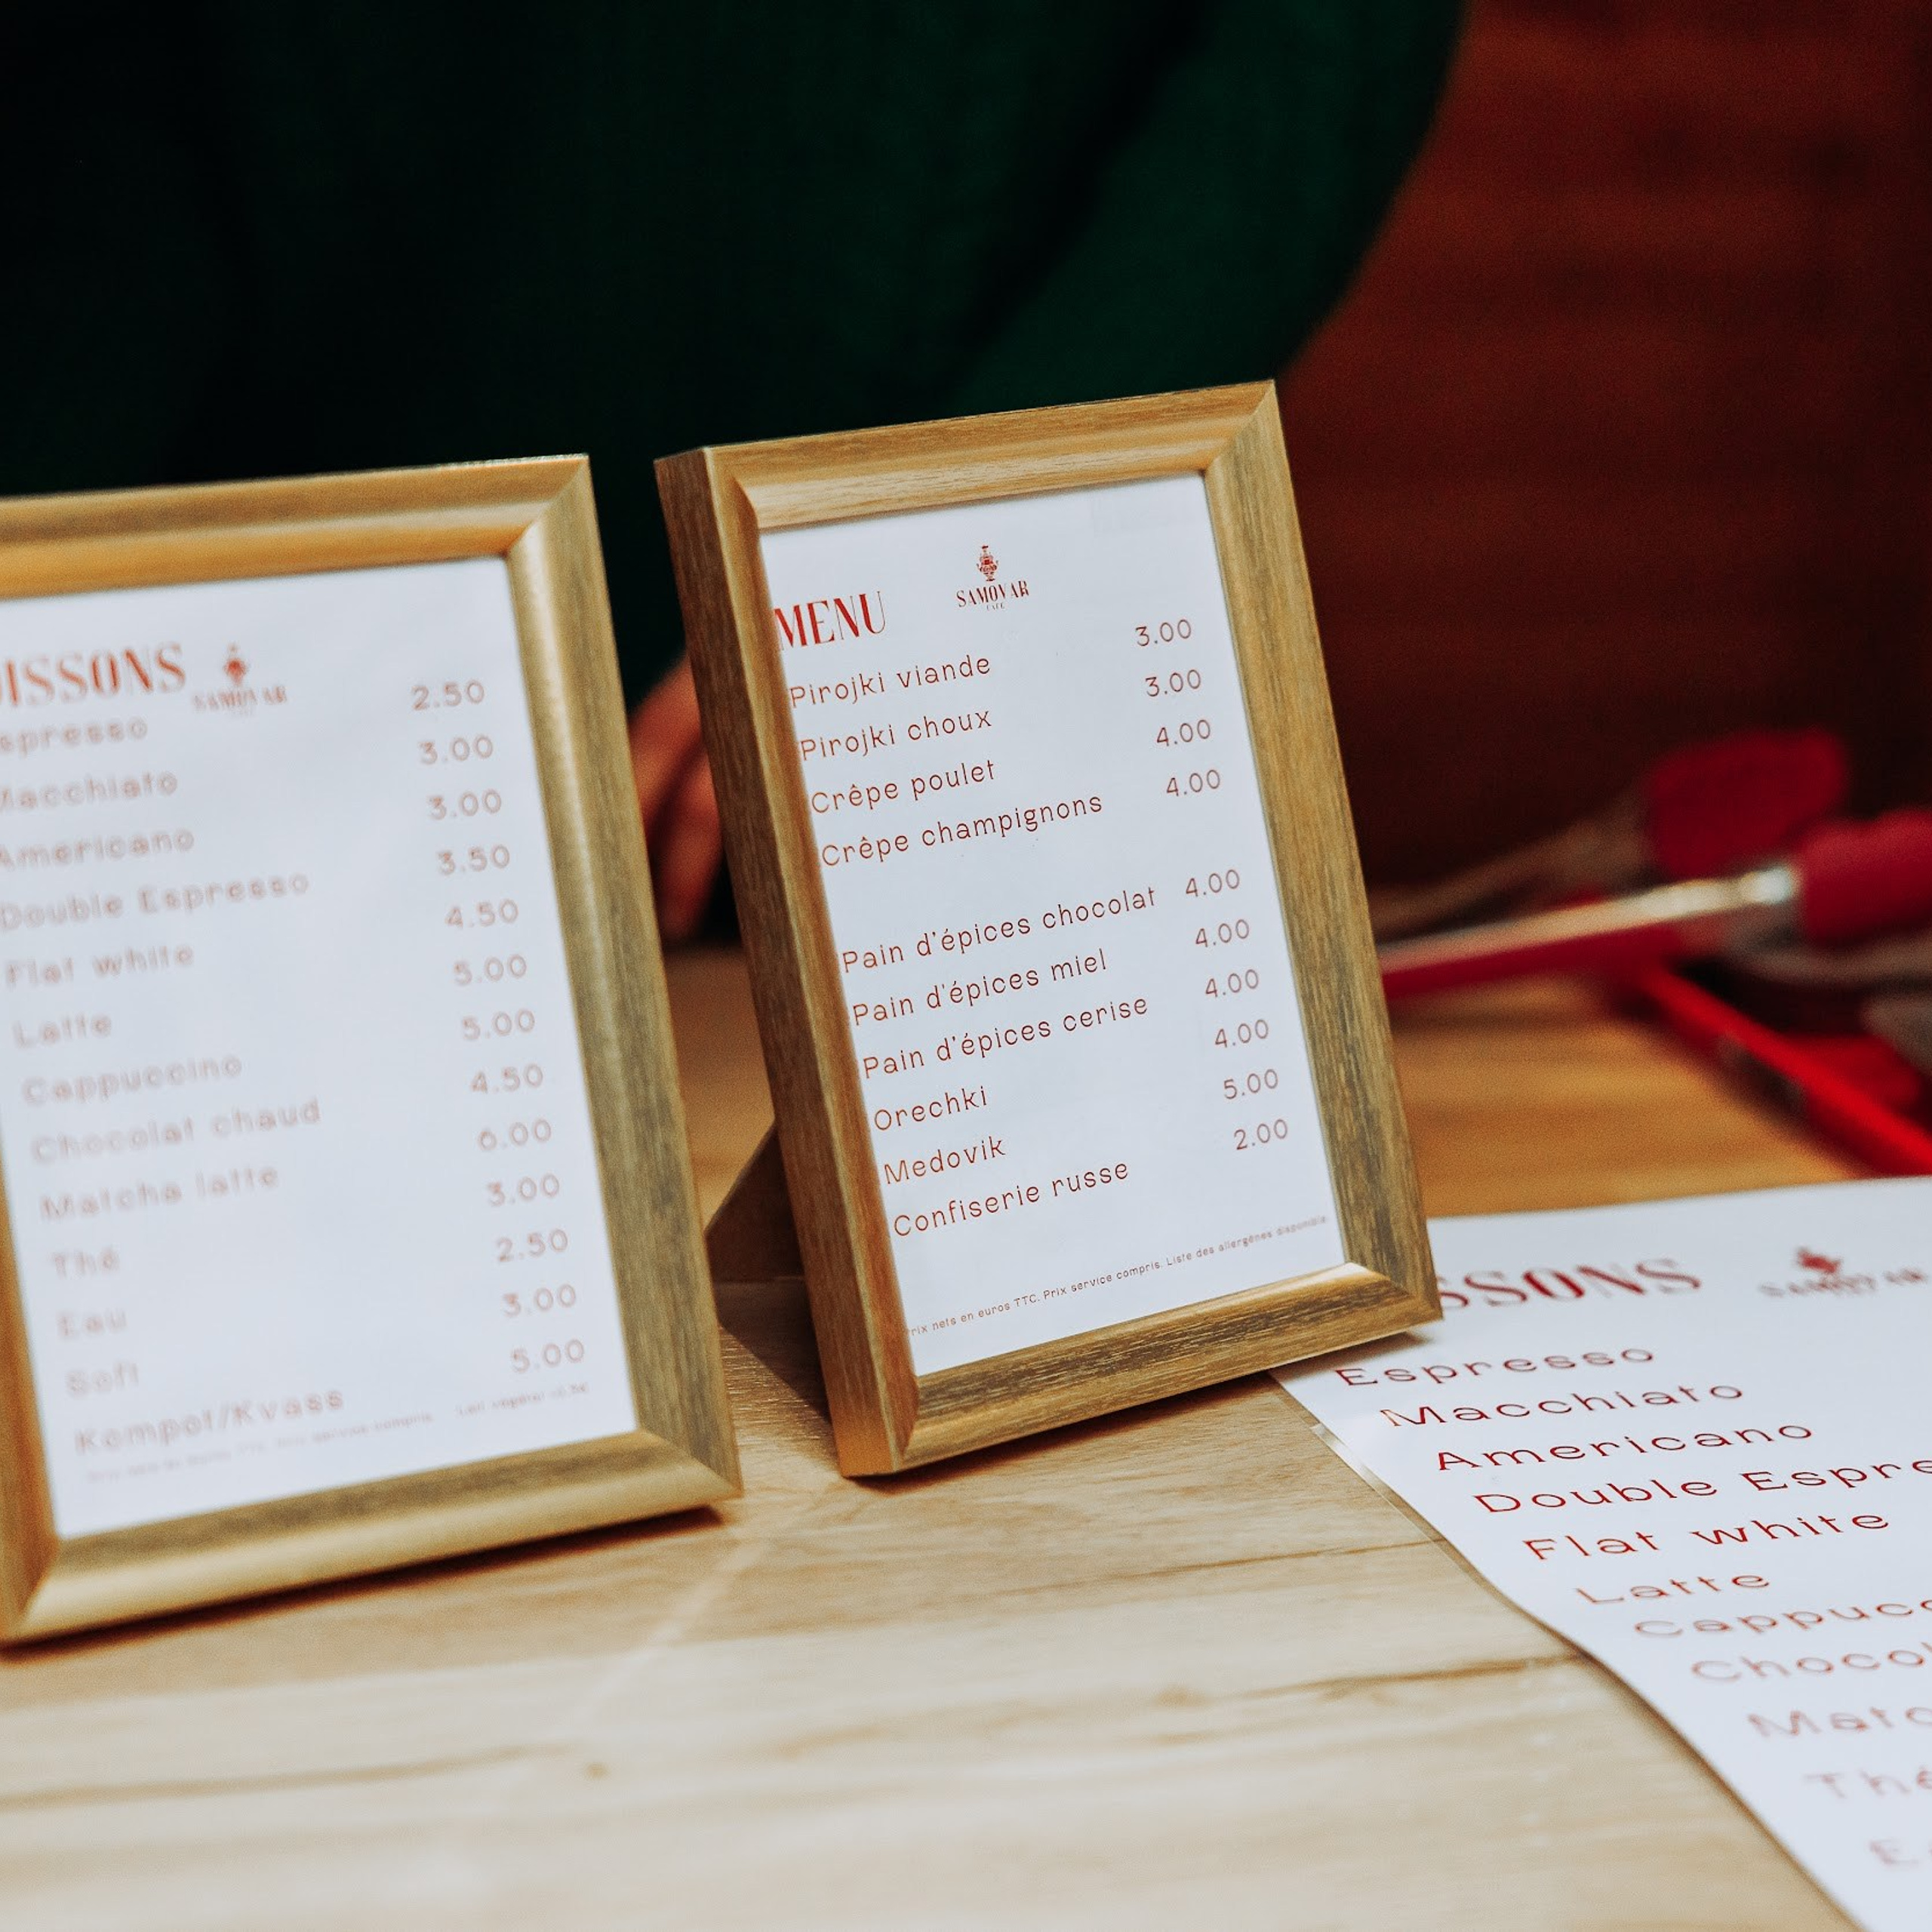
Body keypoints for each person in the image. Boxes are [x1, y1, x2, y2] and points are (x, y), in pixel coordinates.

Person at [1, 2, 1458, 936]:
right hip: (265, 712)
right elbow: (120, 104)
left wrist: (953, 528)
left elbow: (1315, 52)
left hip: (911, 700)